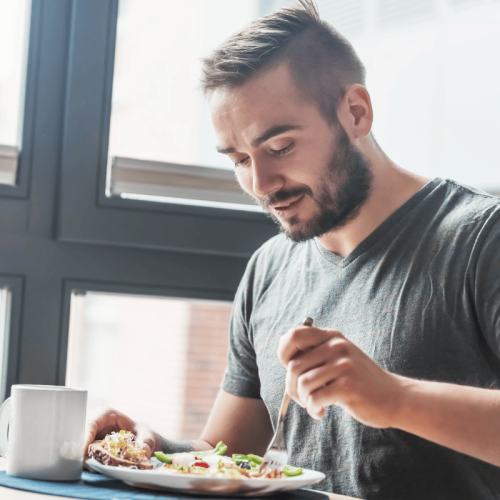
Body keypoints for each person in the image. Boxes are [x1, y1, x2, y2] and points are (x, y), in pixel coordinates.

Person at [85, 1, 500, 498]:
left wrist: (394, 398)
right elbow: (228, 454)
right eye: (240, 159)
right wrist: (154, 450)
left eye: (280, 147)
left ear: (355, 112)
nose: (261, 183)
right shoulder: (269, 268)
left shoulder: (481, 240)